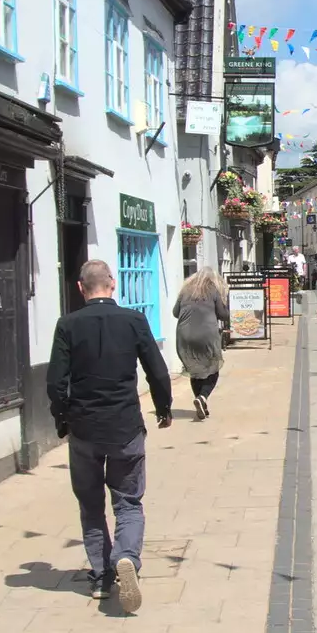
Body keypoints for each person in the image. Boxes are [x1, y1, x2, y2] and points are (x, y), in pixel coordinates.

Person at [47, 259, 172, 613]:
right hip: (125, 427)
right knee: (128, 501)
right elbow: (157, 371)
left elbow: (55, 382)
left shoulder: (67, 325)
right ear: (113, 285)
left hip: (84, 429)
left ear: (80, 288)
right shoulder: (134, 320)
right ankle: (127, 556)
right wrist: (163, 409)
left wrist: (62, 419)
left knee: (90, 504)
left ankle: (101, 577)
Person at [173, 268, 228, 421]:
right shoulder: (213, 290)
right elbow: (223, 315)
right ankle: (203, 396)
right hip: (206, 334)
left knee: (194, 369)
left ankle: (200, 400)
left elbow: (175, 313)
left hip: (184, 335)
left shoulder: (186, 290)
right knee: (213, 367)